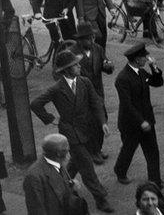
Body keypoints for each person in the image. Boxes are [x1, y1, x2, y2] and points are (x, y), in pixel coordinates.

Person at [29, 51, 115, 213]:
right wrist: (49, 118)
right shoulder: (56, 88)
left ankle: (63, 183)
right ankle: (100, 198)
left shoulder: (84, 82)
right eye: (75, 64)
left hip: (86, 130)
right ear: (67, 69)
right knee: (87, 166)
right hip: (70, 134)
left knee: (75, 163)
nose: (79, 66)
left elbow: (96, 103)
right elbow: (35, 104)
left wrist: (103, 122)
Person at [114, 42, 164, 186]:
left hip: (147, 120)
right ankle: (120, 170)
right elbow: (127, 105)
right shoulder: (123, 78)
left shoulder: (141, 72)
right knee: (129, 149)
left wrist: (154, 68)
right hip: (131, 124)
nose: (147, 59)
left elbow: (157, 83)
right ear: (137, 59)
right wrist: (141, 121)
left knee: (152, 151)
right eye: (144, 57)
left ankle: (155, 180)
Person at [70, 23, 114, 163]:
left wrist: (108, 66)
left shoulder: (98, 49)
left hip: (97, 92)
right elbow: (61, 73)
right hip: (81, 94)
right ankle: (92, 151)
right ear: (80, 40)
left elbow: (105, 66)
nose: (91, 41)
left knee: (102, 118)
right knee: (89, 123)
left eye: (93, 37)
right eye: (88, 38)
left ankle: (97, 149)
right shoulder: (71, 52)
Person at [23, 134, 89, 215]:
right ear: (58, 154)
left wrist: (71, 186)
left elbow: (60, 187)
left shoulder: (57, 162)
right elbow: (36, 210)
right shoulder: (33, 177)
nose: (69, 152)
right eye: (67, 150)